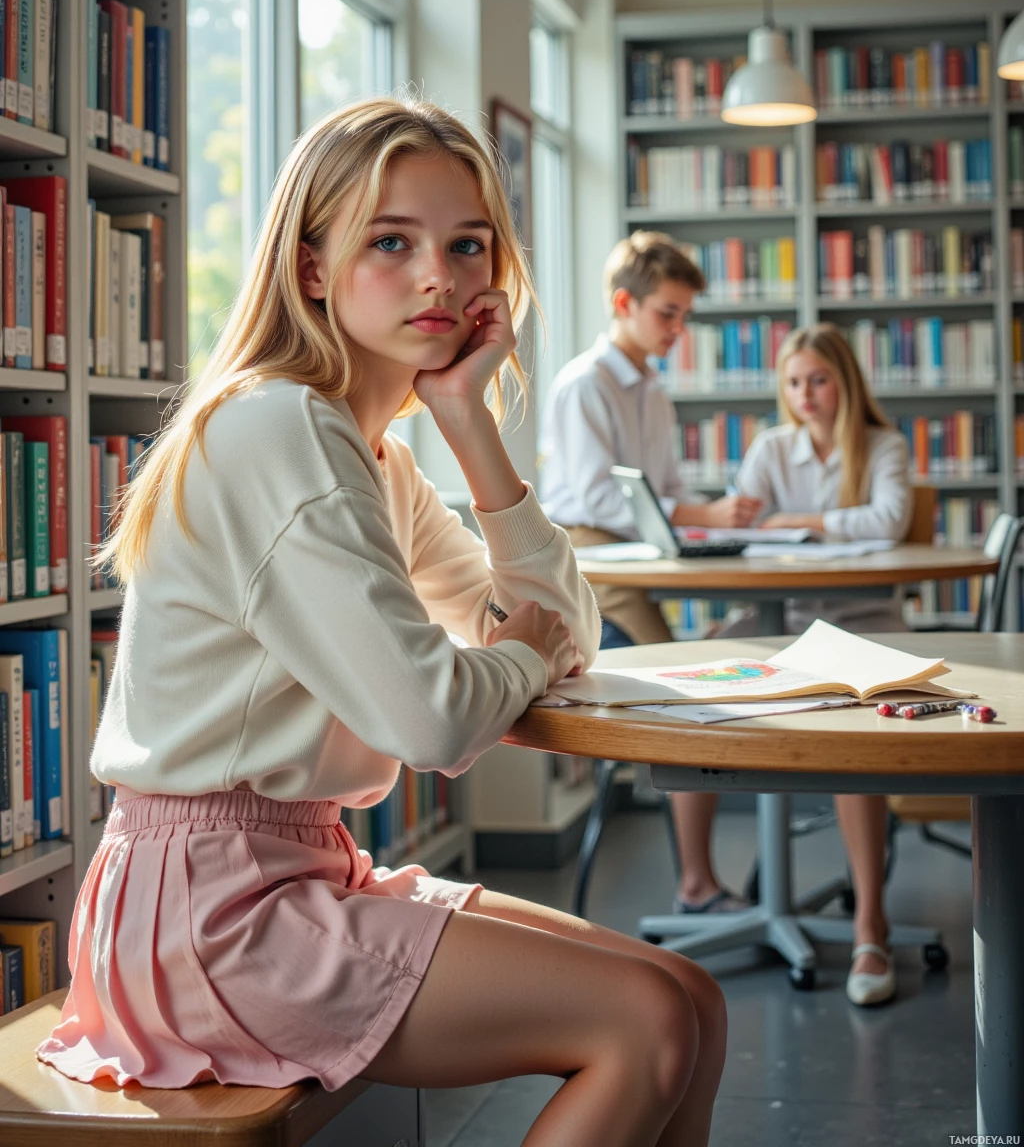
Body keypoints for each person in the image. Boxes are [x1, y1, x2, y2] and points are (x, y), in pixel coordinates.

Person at [39, 101, 726, 1147]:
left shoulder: (374, 455)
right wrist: (512, 653)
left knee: (691, 997)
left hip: (296, 876)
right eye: (391, 242)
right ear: (312, 267)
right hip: (211, 915)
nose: (438, 279)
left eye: (467, 247)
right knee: (649, 1021)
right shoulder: (281, 429)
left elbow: (568, 632)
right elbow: (432, 721)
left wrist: (469, 423)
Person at [539, 230, 762, 917]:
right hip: (592, 570)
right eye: (667, 313)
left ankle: (706, 878)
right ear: (623, 303)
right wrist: (706, 514)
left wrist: (705, 525)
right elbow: (603, 500)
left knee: (731, 650)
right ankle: (697, 885)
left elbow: (661, 491)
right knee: (694, 701)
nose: (677, 329)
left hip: (635, 557)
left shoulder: (653, 393)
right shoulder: (586, 385)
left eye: (684, 316)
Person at [732, 322, 914, 1007]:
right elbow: (743, 524)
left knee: (851, 727)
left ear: (845, 382)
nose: (805, 394)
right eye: (793, 382)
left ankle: (871, 921)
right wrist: (792, 524)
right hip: (778, 611)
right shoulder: (770, 447)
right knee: (685, 679)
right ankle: (703, 890)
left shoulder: (881, 444)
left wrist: (797, 523)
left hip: (863, 613)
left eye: (819, 379)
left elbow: (890, 520)